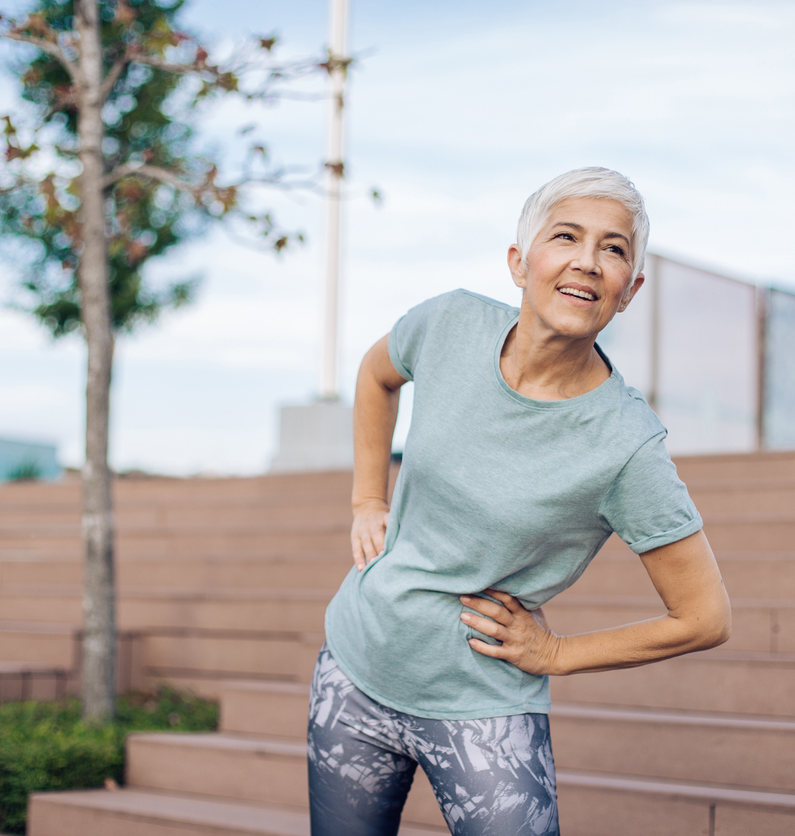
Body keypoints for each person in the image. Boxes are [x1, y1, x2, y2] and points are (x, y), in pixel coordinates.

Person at [307, 167, 732, 836]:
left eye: (614, 249)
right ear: (519, 260)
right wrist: (367, 499)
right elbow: (376, 374)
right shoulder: (449, 323)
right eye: (566, 236)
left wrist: (558, 654)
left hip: (484, 710)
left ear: (630, 291)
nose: (588, 262)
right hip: (356, 666)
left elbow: (705, 617)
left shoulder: (627, 445)